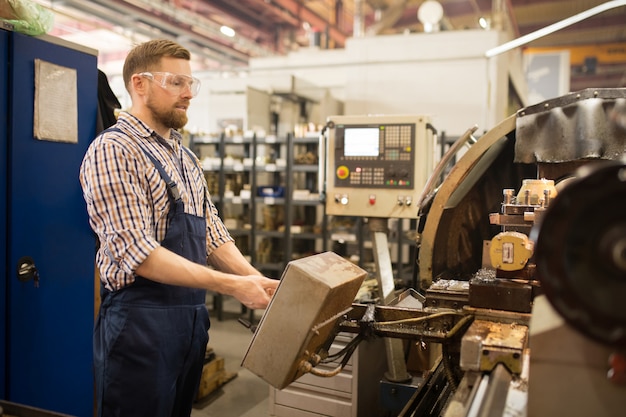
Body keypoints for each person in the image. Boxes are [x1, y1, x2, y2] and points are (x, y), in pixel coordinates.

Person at [79, 39, 279, 417]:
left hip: (190, 322)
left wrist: (258, 280)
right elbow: (138, 252)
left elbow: (212, 234)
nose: (188, 93)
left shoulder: (184, 158)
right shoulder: (113, 151)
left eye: (191, 83)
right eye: (176, 82)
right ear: (140, 84)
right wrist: (233, 286)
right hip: (139, 325)